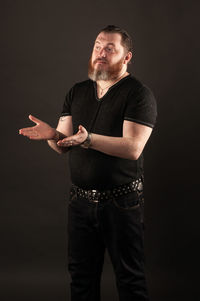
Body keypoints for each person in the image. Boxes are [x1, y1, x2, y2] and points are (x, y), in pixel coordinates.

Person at [19, 25, 157, 301]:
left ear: (127, 56)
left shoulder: (138, 93)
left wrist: (88, 139)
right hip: (80, 202)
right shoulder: (78, 91)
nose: (101, 53)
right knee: (81, 279)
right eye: (97, 46)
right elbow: (63, 146)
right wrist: (53, 135)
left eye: (110, 48)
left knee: (130, 280)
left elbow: (133, 148)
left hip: (122, 202)